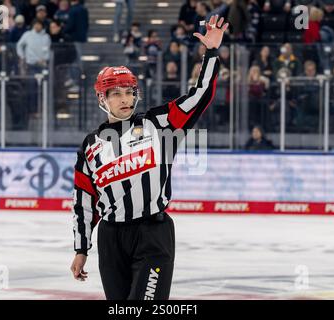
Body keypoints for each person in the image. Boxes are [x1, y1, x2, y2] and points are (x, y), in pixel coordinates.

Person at [70, 15, 228, 300]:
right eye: (115, 93)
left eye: (129, 92)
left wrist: (211, 53)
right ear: (101, 98)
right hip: (111, 239)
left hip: (153, 235)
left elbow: (199, 96)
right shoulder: (91, 145)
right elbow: (84, 201)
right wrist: (82, 249)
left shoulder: (160, 123)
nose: (124, 99)